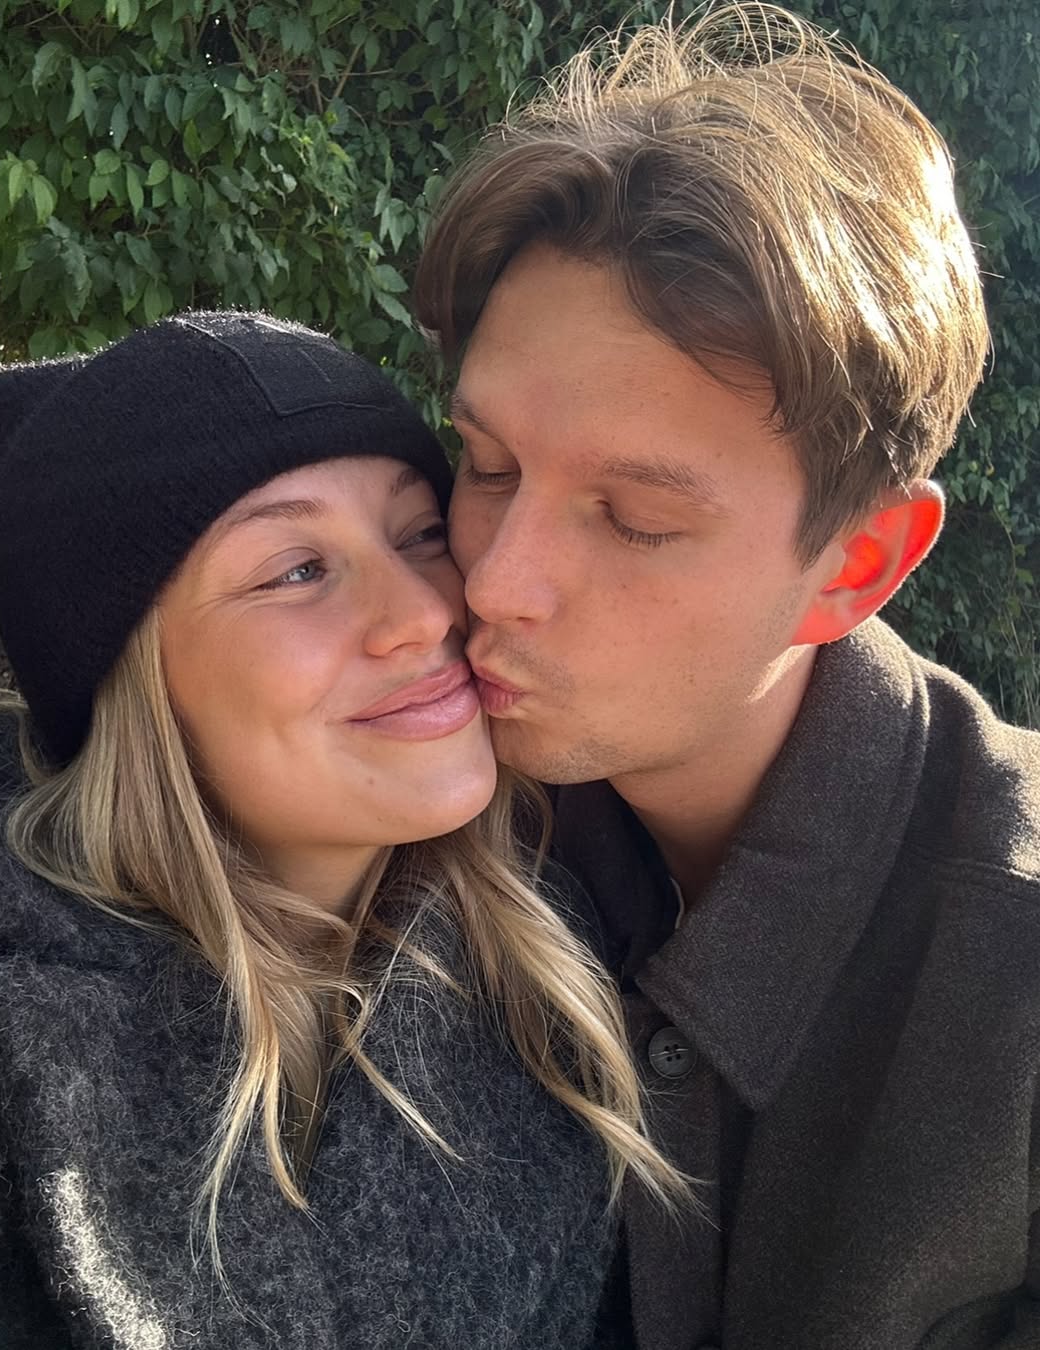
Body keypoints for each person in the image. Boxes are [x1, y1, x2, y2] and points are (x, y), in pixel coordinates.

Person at [413, 5, 1040, 1348]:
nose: (496, 581)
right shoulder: (405, 780)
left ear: (857, 565)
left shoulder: (1011, 973)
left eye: (636, 519)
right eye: (488, 465)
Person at [0, 311, 687, 1349]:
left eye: (419, 534)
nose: (427, 612)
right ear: (134, 685)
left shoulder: (554, 962)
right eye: (296, 570)